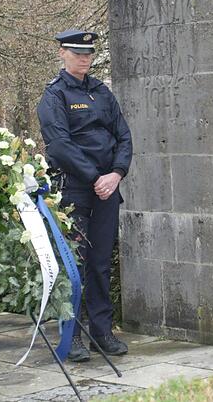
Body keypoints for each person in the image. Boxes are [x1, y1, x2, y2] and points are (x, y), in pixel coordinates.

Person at [36, 29, 133, 362]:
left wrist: (116, 174)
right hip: (74, 190)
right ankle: (72, 335)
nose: (84, 58)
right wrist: (96, 178)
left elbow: (123, 136)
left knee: (101, 263)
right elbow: (60, 145)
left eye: (88, 54)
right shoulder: (55, 95)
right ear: (62, 53)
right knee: (72, 264)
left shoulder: (102, 92)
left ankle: (102, 333)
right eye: (77, 53)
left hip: (107, 188)